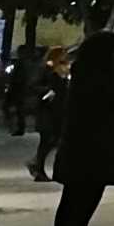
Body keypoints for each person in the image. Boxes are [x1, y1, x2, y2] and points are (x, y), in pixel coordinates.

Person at [50, 20, 114, 226]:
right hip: (99, 145)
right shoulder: (113, 80)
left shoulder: (80, 75)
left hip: (76, 143)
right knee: (88, 197)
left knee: (70, 197)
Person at [28, 46, 70, 182]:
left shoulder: (63, 68)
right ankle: (37, 166)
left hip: (59, 109)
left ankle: (36, 164)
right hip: (47, 109)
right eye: (62, 54)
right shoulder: (46, 68)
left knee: (54, 139)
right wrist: (47, 91)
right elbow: (34, 85)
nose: (65, 56)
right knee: (47, 139)